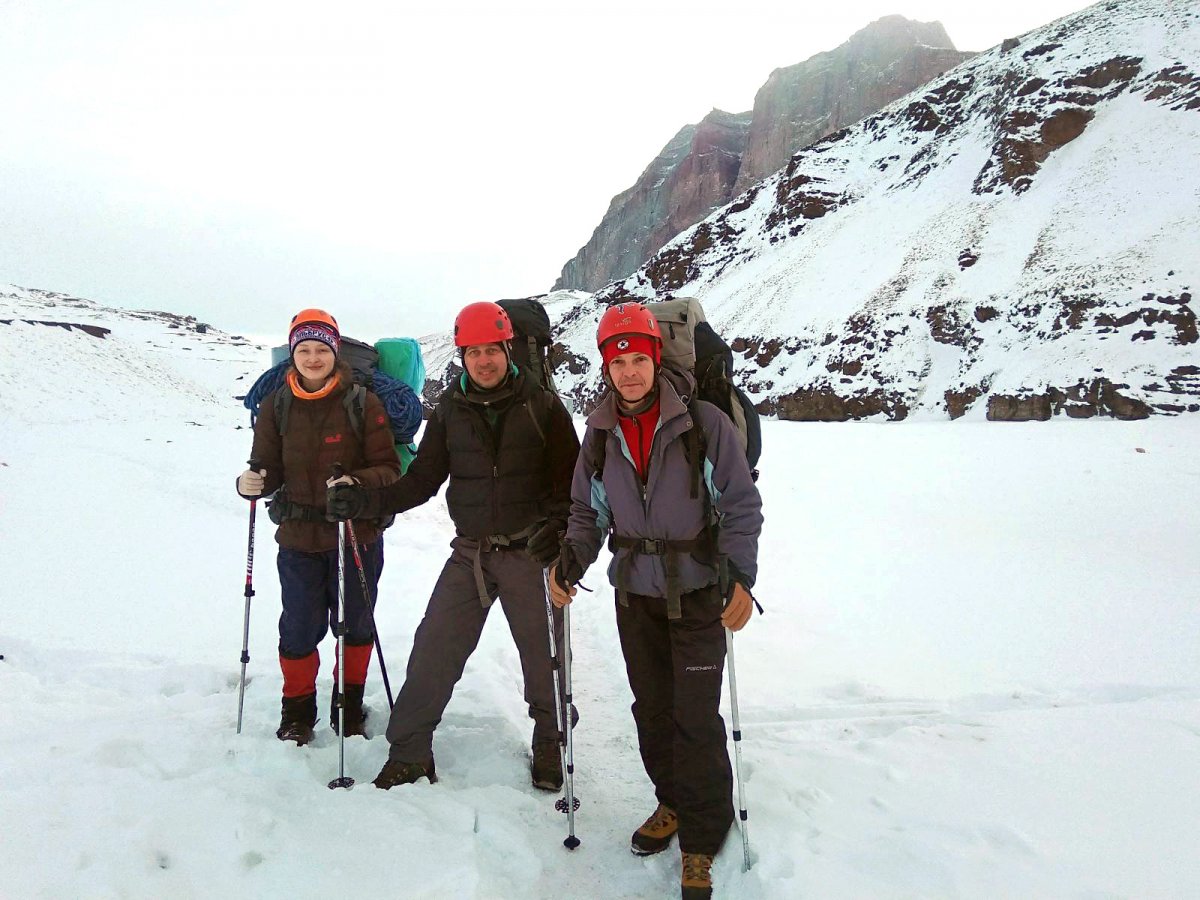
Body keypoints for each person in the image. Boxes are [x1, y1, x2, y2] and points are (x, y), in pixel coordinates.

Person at [537, 301, 762, 900]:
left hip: (698, 590)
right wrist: (571, 559)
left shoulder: (704, 422)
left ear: (655, 358)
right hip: (634, 593)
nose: (630, 371)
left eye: (639, 358)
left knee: (695, 717)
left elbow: (740, 506)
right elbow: (589, 510)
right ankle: (672, 799)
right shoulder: (601, 432)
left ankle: (700, 839)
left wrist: (740, 575)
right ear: (606, 368)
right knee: (653, 710)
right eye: (619, 361)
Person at [326, 300, 581, 791]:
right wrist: (365, 500)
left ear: (508, 350)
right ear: (461, 356)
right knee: (434, 648)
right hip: (471, 554)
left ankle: (551, 741)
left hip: (532, 552)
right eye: (473, 352)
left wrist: (560, 531)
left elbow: (571, 484)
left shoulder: (543, 406)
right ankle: (409, 750)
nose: (484, 361)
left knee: (544, 657)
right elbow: (421, 480)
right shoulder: (450, 410)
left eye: (492, 350)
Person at [236, 309, 400, 745]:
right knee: (298, 627)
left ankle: (348, 706)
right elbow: (265, 469)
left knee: (356, 625)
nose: (312, 357)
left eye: (321, 349)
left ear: (334, 352)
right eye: (304, 349)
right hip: (298, 538)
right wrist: (250, 483)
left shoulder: (363, 402)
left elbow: (389, 468)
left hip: (356, 535)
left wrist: (358, 483)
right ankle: (297, 711)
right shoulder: (276, 406)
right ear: (292, 354)